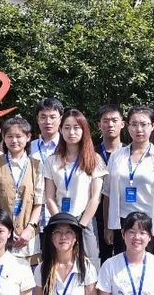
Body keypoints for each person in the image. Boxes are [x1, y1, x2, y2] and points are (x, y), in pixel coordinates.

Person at [104, 106, 154, 260]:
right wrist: (107, 227)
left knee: (151, 267)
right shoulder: (117, 157)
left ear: (153, 127)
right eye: (134, 124)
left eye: (144, 124)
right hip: (123, 223)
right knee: (124, 265)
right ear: (127, 126)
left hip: (151, 222)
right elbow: (107, 195)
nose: (139, 129)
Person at [41, 109, 106, 267]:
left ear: (84, 130)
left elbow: (95, 198)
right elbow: (49, 197)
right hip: (59, 224)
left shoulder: (94, 160)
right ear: (61, 130)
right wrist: (61, 223)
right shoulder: (51, 161)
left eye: (76, 128)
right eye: (67, 127)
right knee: (59, 266)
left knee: (90, 267)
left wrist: (80, 225)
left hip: (85, 223)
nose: (72, 132)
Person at [0, 116, 44, 263]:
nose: (14, 140)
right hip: (2, 235)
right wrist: (5, 229)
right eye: (9, 136)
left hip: (28, 237)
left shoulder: (37, 166)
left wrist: (30, 229)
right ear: (4, 138)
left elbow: (39, 202)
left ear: (28, 137)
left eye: (19, 136)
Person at [95, 104, 125, 263]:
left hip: (122, 215)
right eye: (105, 121)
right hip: (95, 215)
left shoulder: (129, 153)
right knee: (100, 260)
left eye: (114, 120)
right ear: (99, 125)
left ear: (123, 123)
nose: (110, 124)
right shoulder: (91, 153)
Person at [30, 97, 65, 231]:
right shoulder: (29, 148)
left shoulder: (69, 147)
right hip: (34, 215)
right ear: (37, 120)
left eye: (52, 117)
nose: (48, 122)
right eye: (43, 117)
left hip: (62, 211)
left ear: (60, 119)